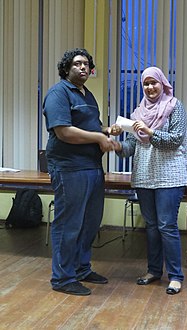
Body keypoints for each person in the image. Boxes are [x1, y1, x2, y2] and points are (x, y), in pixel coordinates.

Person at [43, 48, 120, 296]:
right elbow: (63, 131)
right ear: (67, 69)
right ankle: (63, 278)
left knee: (89, 223)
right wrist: (98, 137)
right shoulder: (58, 93)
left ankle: (81, 269)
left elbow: (92, 126)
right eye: (77, 64)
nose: (83, 67)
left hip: (92, 167)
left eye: (86, 64)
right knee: (69, 224)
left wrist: (107, 130)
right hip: (69, 168)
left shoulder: (88, 95)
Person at [114, 66, 187, 295]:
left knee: (167, 226)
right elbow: (131, 146)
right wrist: (116, 144)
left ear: (162, 83)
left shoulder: (175, 106)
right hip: (144, 176)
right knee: (153, 227)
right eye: (145, 84)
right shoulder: (138, 112)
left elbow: (176, 140)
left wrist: (151, 131)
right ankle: (154, 270)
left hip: (169, 176)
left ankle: (175, 276)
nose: (150, 87)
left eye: (153, 82)